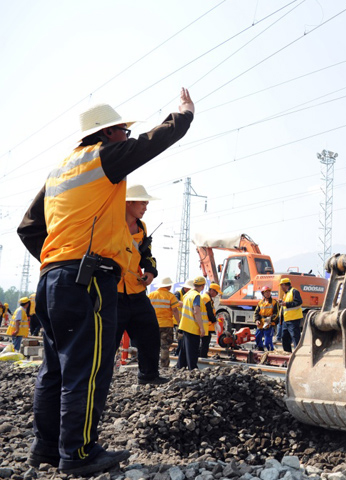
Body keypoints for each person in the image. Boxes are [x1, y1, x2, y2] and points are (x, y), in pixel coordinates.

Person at [16, 88, 194, 475]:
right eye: (123, 132)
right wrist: (183, 115)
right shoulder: (103, 158)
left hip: (52, 280)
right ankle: (78, 455)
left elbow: (28, 228)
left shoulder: (60, 170)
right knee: (88, 368)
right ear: (109, 133)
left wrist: (57, 261)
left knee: (54, 370)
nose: (128, 138)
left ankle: (45, 448)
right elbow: (153, 142)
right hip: (88, 282)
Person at [115, 184, 167, 385]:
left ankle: (149, 376)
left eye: (146, 202)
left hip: (136, 290)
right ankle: (98, 379)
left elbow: (147, 255)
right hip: (113, 290)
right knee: (108, 340)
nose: (146, 206)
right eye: (142, 202)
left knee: (149, 332)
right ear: (128, 202)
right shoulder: (111, 222)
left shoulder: (142, 227)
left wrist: (150, 272)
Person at [148, 277, 181, 368]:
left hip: (153, 324)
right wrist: (179, 322)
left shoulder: (151, 295)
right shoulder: (171, 296)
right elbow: (175, 310)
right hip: (166, 324)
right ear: (168, 286)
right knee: (165, 346)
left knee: (153, 345)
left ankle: (152, 365)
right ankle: (164, 365)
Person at [176, 276, 207, 370]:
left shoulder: (187, 294)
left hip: (185, 325)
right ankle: (192, 368)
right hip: (192, 327)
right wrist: (201, 327)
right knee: (192, 350)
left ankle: (180, 366)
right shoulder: (196, 296)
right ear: (202, 286)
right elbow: (196, 311)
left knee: (185, 349)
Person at [279, 278, 303, 352]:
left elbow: (298, 302)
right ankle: (288, 353)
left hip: (293, 319)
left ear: (284, 285)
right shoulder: (286, 294)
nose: (281, 287)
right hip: (286, 320)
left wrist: (286, 304)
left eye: (281, 285)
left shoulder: (294, 291)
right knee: (285, 338)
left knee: (295, 338)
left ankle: (298, 354)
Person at [199, 283, 221, 358]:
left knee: (205, 342)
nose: (216, 294)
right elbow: (209, 312)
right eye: (216, 292)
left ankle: (202, 356)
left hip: (206, 324)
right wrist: (215, 321)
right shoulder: (206, 298)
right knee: (205, 342)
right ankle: (202, 356)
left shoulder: (208, 298)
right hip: (205, 325)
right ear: (211, 290)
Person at [254, 286, 278, 351]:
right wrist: (257, 320)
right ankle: (260, 349)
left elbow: (277, 313)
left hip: (269, 324)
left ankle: (271, 351)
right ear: (263, 294)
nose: (268, 293)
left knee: (267, 342)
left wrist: (270, 319)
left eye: (269, 292)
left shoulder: (274, 302)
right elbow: (256, 313)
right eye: (266, 292)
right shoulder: (260, 302)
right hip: (261, 323)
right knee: (257, 337)